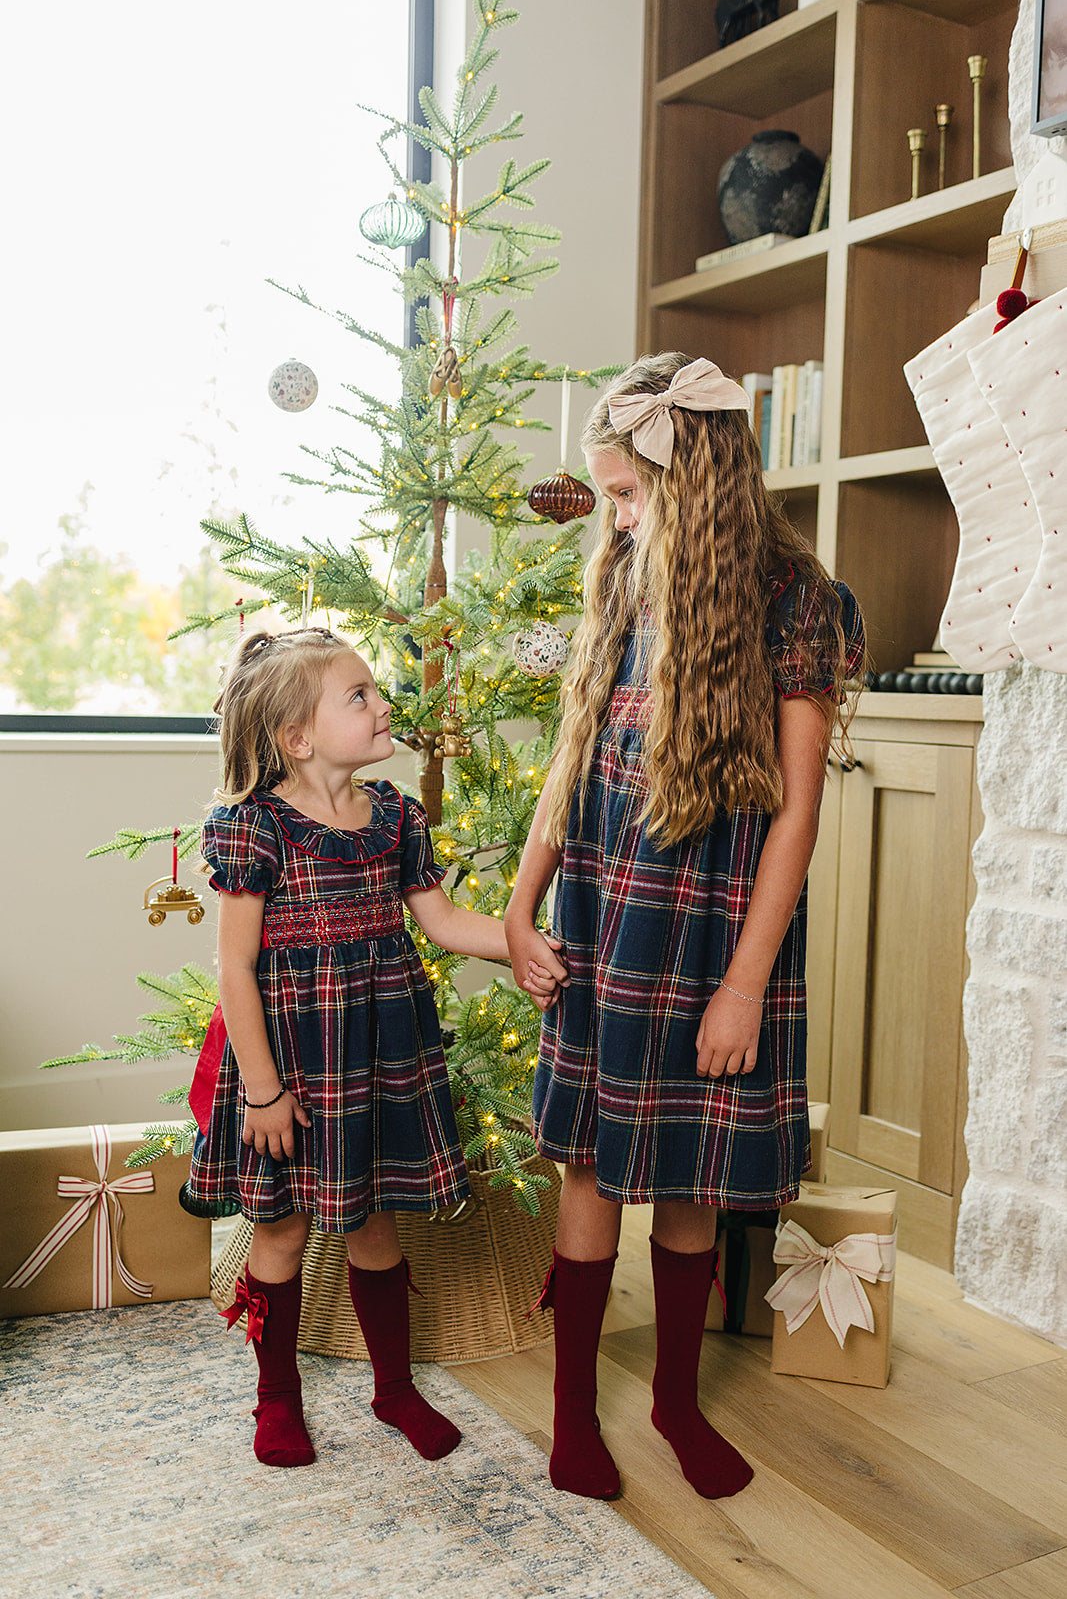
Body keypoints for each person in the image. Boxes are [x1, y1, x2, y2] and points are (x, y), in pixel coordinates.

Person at [505, 352, 866, 1503]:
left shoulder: (794, 601)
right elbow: (570, 756)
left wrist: (745, 982)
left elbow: (797, 810)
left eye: (624, 492)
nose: (607, 515)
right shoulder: (619, 577)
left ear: (694, 477)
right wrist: (518, 904)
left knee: (692, 1171)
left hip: (713, 924)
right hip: (603, 910)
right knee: (592, 1165)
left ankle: (669, 1398)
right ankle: (572, 1413)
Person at [184, 627, 563, 1469]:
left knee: (373, 1224)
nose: (384, 704)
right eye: (359, 695)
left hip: (377, 1059)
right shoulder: (253, 830)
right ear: (298, 737)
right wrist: (261, 1093)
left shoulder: (394, 816)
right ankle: (276, 1397)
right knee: (279, 1234)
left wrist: (530, 945)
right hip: (287, 1063)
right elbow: (236, 972)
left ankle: (393, 1388)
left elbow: (442, 922)